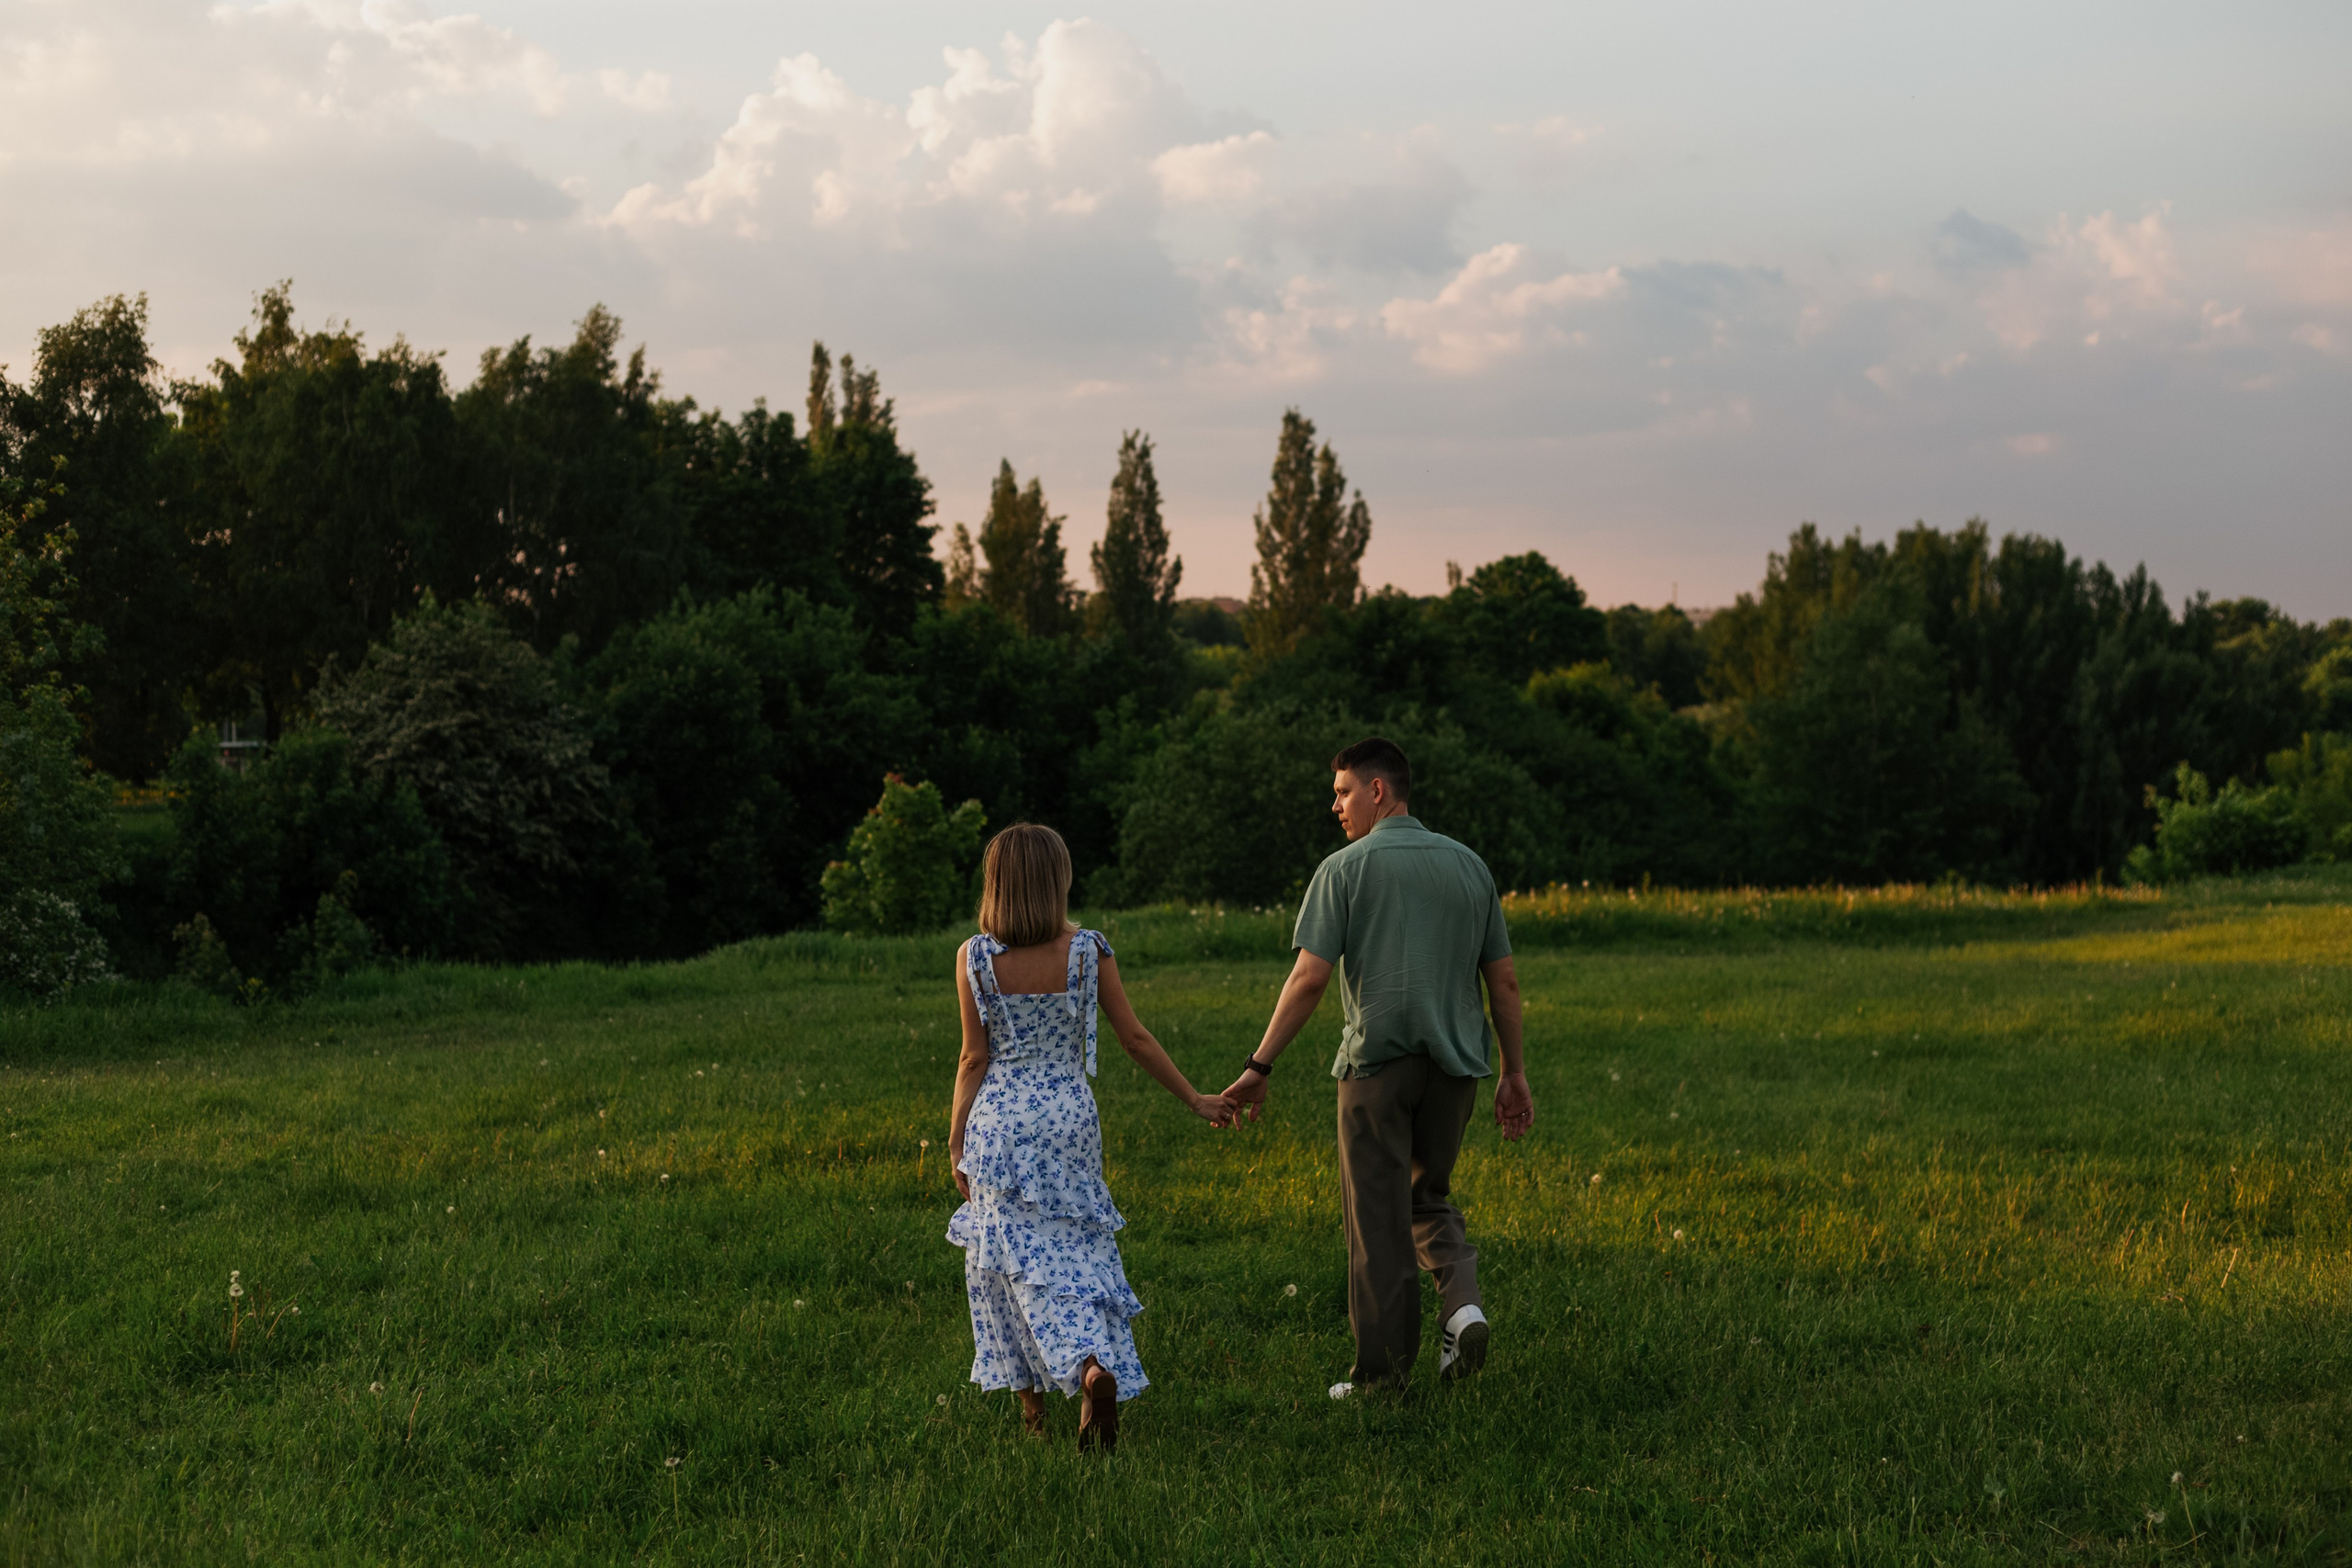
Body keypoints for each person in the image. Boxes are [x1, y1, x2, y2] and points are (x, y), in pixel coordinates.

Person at [1223, 737, 1532, 1396]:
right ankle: (1462, 1303)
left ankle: (1381, 1379)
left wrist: (1260, 1063)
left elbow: (1309, 978)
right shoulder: (1470, 865)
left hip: (1376, 1069)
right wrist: (1514, 1071)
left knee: (1376, 1216)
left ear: (1378, 791)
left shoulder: (1344, 868)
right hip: (1456, 1070)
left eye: (1341, 792)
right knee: (1429, 1197)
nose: (1334, 805)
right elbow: (1502, 982)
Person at [946, 822, 1232, 1450]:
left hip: (1000, 1125)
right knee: (1075, 1256)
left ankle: (1039, 1409)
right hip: (1070, 1119)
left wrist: (955, 1142)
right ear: (1058, 881)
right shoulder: (1087, 949)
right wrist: (1195, 1098)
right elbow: (1133, 1037)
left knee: (1006, 1263)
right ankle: (1092, 1366)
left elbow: (974, 1058)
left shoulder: (975, 957)